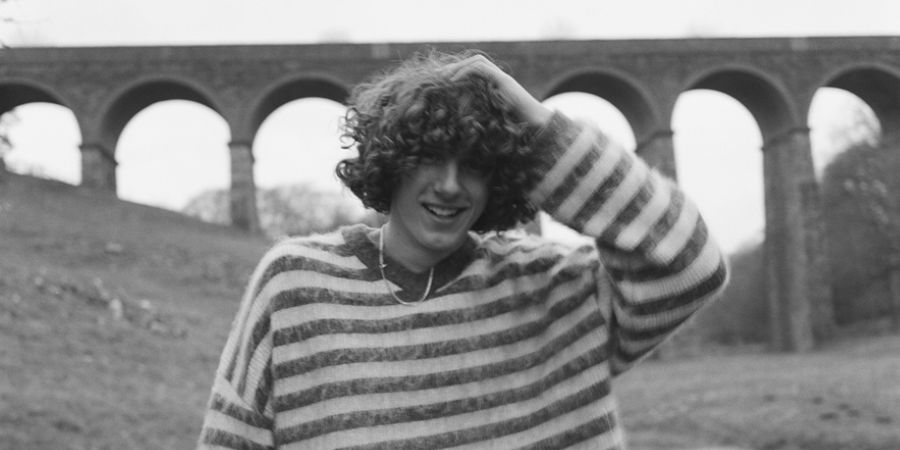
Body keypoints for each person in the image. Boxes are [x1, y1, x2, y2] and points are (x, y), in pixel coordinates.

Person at [197, 50, 729, 449]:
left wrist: (541, 131)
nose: (451, 185)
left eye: (474, 163)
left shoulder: (555, 290)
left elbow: (688, 264)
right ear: (390, 163)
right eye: (430, 156)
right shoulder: (294, 285)